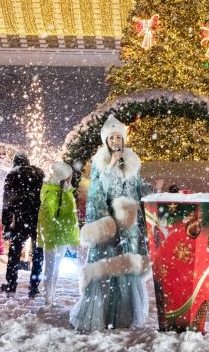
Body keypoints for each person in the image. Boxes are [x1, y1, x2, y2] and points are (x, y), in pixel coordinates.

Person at [70, 115, 152, 332]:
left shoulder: (133, 160)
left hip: (129, 227)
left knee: (126, 269)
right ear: (106, 141)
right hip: (111, 224)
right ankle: (103, 313)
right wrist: (110, 168)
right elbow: (97, 193)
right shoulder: (100, 163)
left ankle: (123, 315)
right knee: (106, 267)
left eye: (118, 137)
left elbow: (138, 188)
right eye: (112, 138)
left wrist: (152, 190)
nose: (116, 141)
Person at [1, 151, 45, 299]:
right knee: (38, 254)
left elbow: (7, 201)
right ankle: (34, 286)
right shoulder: (39, 174)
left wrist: (7, 224)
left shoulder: (13, 175)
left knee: (14, 254)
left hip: (21, 219)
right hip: (38, 219)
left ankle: (11, 284)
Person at [37, 161, 79, 308]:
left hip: (61, 237)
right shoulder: (53, 195)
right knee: (50, 268)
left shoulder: (66, 193)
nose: (71, 178)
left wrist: (72, 238)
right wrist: (50, 238)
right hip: (54, 238)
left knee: (55, 268)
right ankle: (48, 298)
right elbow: (47, 219)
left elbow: (71, 219)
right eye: (69, 176)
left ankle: (51, 297)